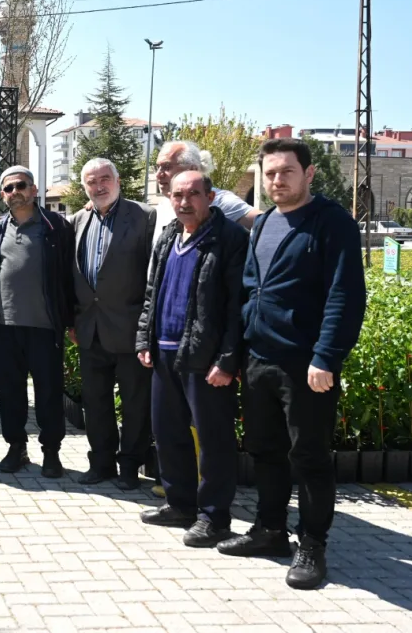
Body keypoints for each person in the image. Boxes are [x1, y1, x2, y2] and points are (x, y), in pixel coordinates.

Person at [217, 138, 366, 590]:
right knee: (265, 451)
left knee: (310, 457)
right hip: (259, 359)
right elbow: (249, 290)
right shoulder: (264, 223)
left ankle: (312, 544)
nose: (277, 180)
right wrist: (239, 352)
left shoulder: (331, 222)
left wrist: (326, 357)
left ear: (309, 173)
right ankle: (270, 530)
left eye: (287, 171)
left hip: (305, 366)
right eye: (270, 173)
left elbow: (345, 295)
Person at [136, 170, 247, 548]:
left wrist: (228, 359)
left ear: (210, 197)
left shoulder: (229, 239)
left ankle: (214, 518)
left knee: (214, 441)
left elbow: (237, 307)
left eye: (193, 194)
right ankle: (179, 504)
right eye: (177, 195)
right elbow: (152, 292)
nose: (184, 202)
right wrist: (144, 338)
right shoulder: (169, 236)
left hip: (205, 359)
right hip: (163, 353)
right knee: (168, 433)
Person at [69, 158, 157, 489]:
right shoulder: (77, 220)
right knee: (95, 403)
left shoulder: (145, 217)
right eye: (91, 182)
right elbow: (71, 276)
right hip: (89, 330)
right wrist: (72, 320)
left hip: (131, 329)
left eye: (105, 179)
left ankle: (130, 466)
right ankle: (101, 463)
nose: (99, 186)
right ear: (84, 187)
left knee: (135, 404)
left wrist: (147, 328)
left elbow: (153, 276)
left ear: (118, 181)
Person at [0, 166, 72, 477]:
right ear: (2, 195)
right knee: (10, 393)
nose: (15, 192)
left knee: (49, 393)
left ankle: (51, 452)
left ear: (34, 190)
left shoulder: (56, 226)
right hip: (5, 326)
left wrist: (69, 319)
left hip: (45, 327)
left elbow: (69, 275)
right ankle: (16, 448)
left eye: (21, 185)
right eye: (8, 188)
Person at [152, 141, 259, 244]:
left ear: (192, 169)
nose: (158, 174)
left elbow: (264, 225)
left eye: (167, 167)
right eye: (157, 167)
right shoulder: (162, 207)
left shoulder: (220, 200)